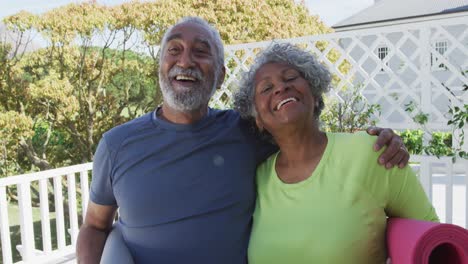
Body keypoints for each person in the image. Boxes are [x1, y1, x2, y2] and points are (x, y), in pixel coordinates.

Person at [76, 17, 410, 264]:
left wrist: (376, 141)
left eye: (201, 52)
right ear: (160, 66)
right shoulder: (117, 144)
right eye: (174, 49)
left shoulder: (246, 131)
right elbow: (94, 225)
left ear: (220, 74)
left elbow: (306, 139)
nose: (186, 60)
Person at [233, 42, 439, 264]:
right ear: (258, 120)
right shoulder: (258, 178)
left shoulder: (372, 152)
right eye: (266, 88)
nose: (280, 88)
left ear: (314, 91)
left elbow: (434, 239)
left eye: (291, 77)